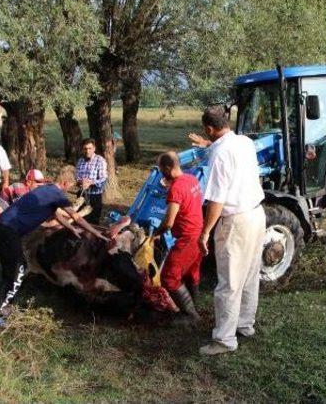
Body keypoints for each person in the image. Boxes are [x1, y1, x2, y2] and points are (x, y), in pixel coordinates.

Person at [0, 166, 109, 327]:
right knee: (16, 271)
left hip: (2, 227)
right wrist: (96, 233)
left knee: (17, 268)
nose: (70, 189)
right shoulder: (57, 195)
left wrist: (71, 228)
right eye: (71, 185)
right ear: (65, 182)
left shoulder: (46, 190)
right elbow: (75, 216)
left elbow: (54, 214)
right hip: (8, 231)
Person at [194, 105, 266, 356]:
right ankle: (245, 324)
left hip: (235, 220)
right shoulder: (244, 142)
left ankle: (224, 339)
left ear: (209, 128)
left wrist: (205, 232)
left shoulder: (220, 154)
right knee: (249, 274)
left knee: (229, 282)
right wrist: (208, 145)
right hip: (257, 213)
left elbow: (216, 199)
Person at [108, 151, 204, 325]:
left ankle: (190, 316)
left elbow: (168, 222)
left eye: (161, 169)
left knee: (169, 277)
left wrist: (156, 234)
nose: (160, 173)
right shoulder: (192, 179)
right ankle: (195, 307)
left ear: (168, 167)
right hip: (198, 233)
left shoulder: (176, 188)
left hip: (186, 237)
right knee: (191, 271)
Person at [75, 138, 108, 224]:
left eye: (89, 148)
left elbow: (104, 178)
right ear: (82, 149)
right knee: (79, 220)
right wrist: (80, 182)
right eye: (85, 149)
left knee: (93, 222)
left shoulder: (100, 160)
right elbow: (77, 177)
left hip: (94, 196)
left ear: (94, 148)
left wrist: (91, 183)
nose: (87, 151)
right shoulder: (80, 161)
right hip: (81, 195)